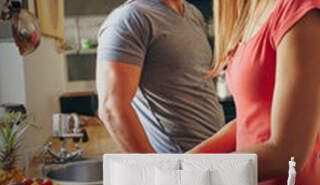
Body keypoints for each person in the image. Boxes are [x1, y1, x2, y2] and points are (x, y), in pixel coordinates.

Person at [191, 0, 320, 185]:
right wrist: (186, 161)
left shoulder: (304, 7)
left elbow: (287, 153)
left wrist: (189, 174)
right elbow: (251, 118)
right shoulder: (254, 7)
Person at [96, 0, 225, 153]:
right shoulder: (130, 19)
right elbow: (112, 108)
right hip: (176, 161)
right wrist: (156, 169)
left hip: (216, 155)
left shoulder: (193, 14)